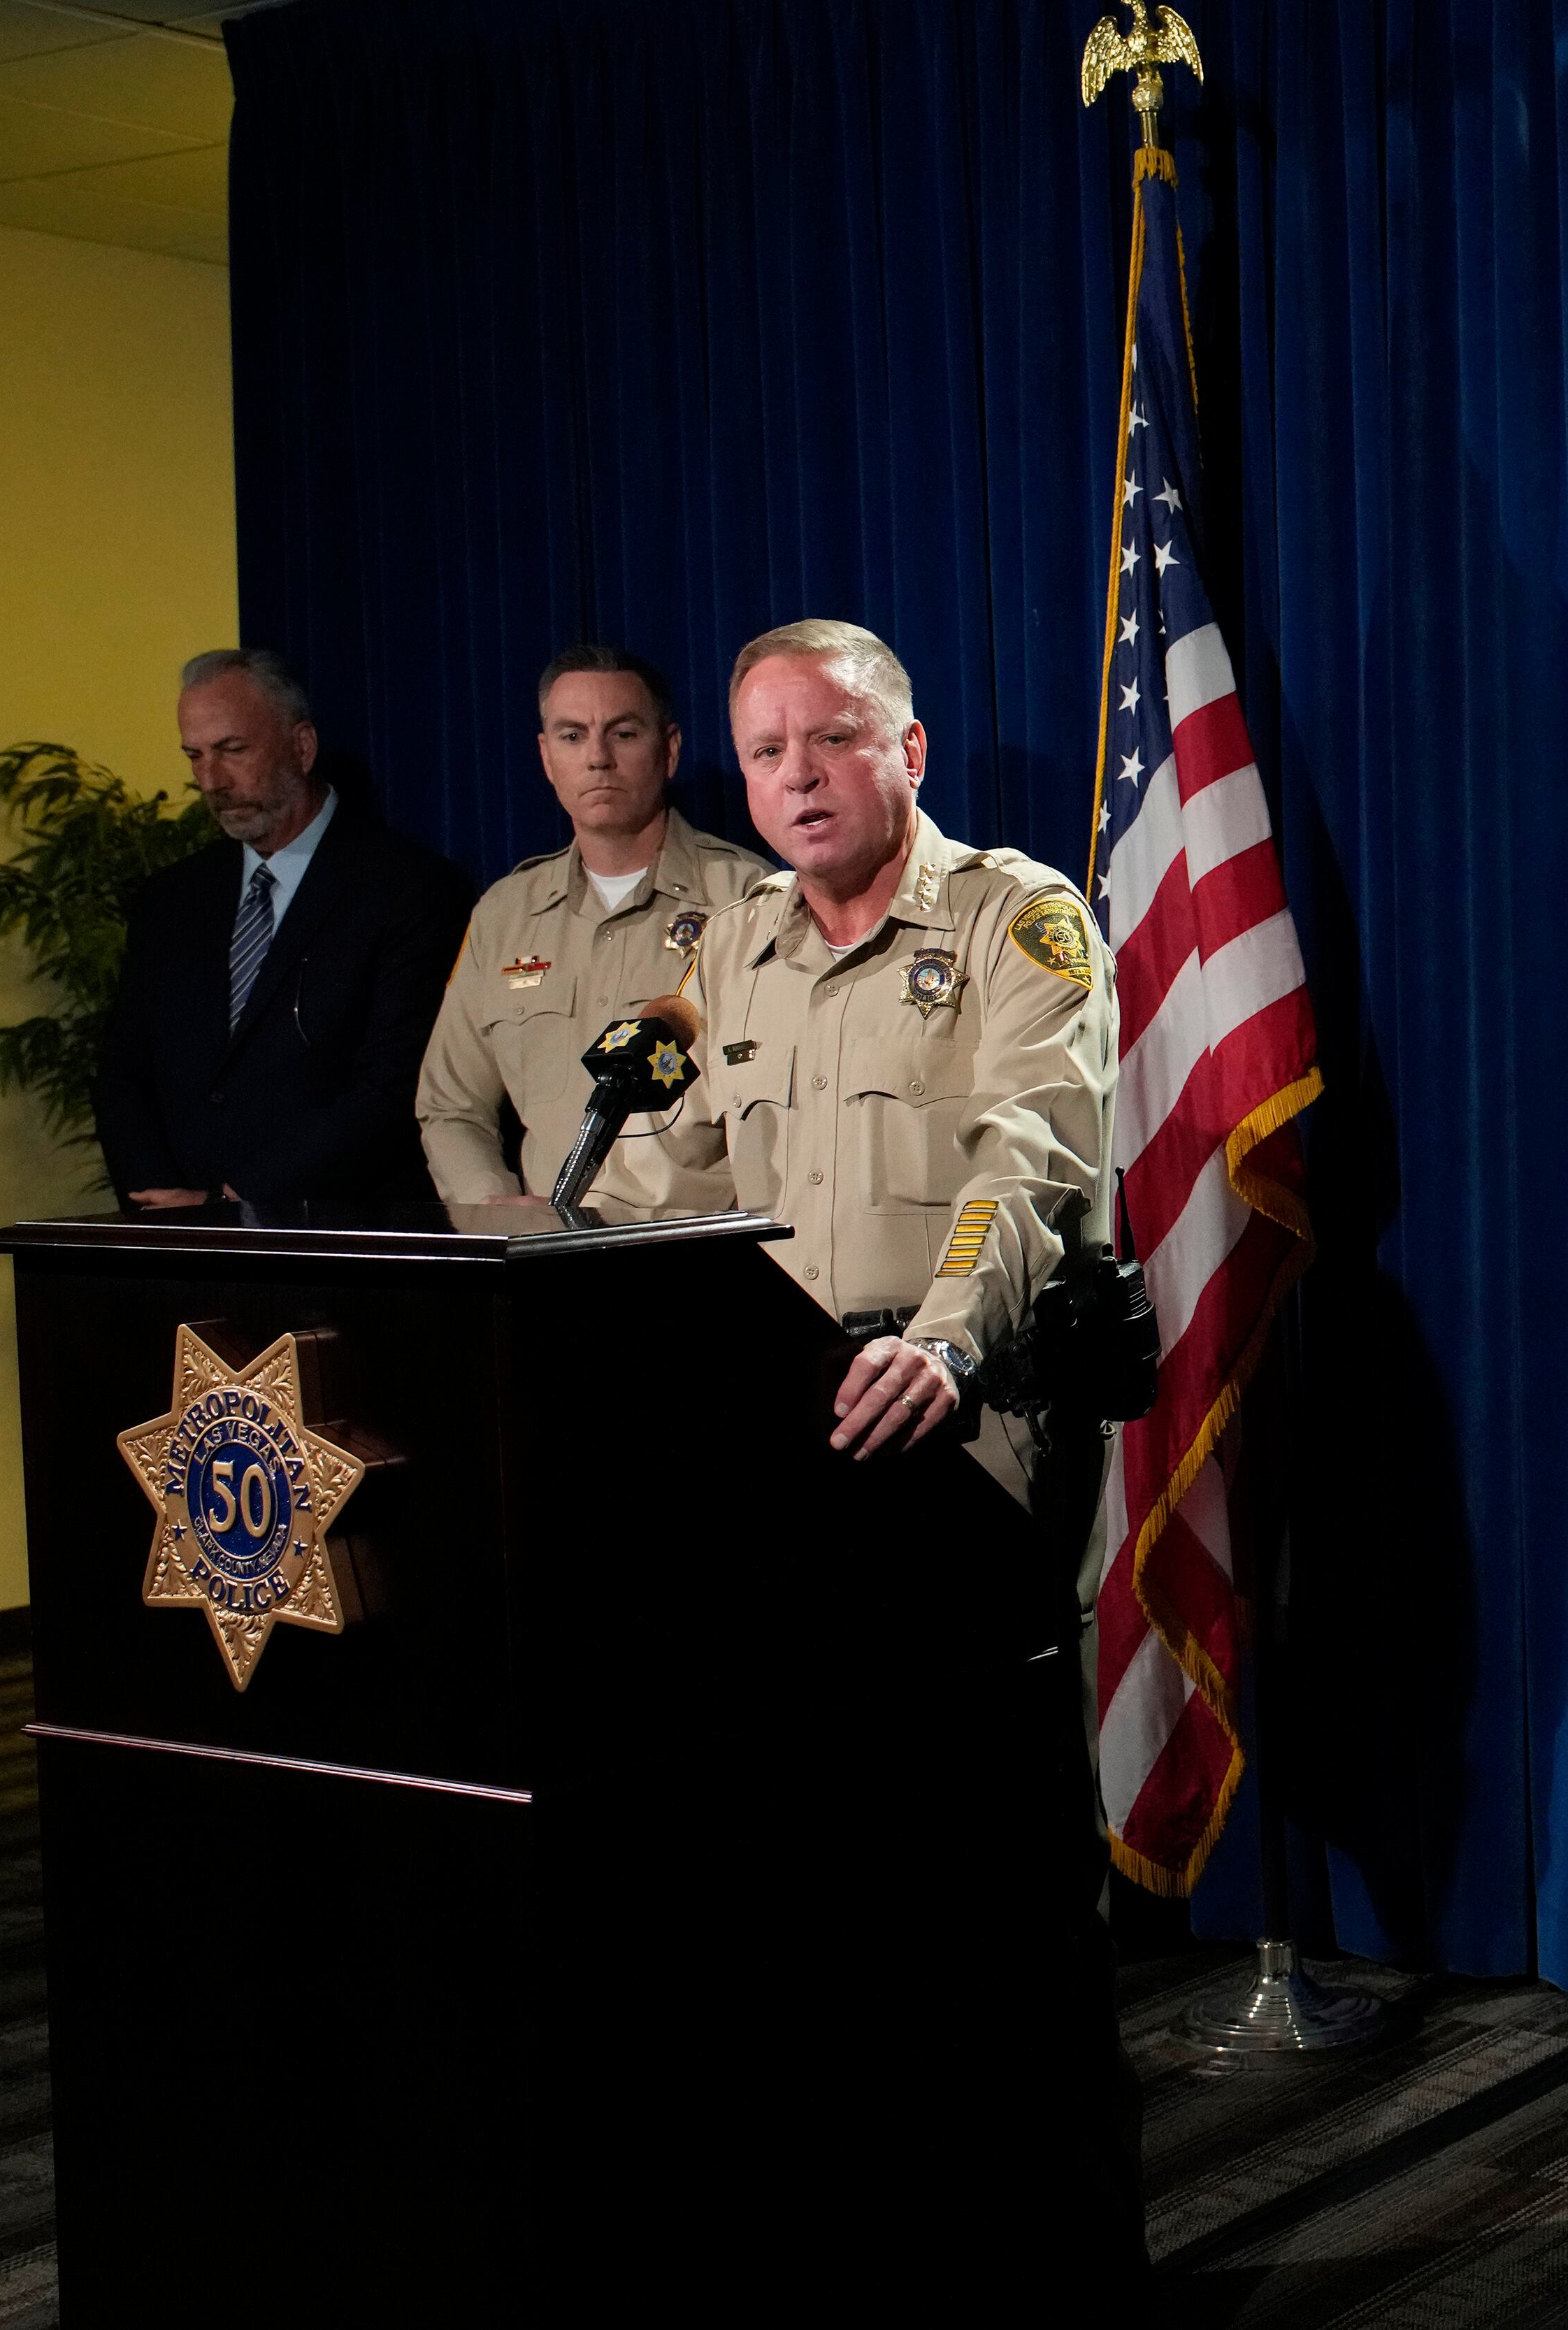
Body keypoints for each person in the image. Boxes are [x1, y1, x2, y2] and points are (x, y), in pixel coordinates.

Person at [652, 617, 1140, 2291]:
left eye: (833, 740)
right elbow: (666, 1181)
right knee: (819, 1890)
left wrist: (942, 1335)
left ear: (907, 753)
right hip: (780, 1471)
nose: (798, 777)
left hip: (966, 1452)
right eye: (766, 751)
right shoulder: (731, 944)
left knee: (996, 1899)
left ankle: (1058, 2267)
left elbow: (1033, 1153)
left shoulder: (1016, 917)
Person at [96, 649, 475, 1208]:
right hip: (182, 1238)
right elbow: (124, 1074)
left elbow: (396, 1084)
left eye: (233, 750)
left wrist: (238, 1201)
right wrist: (161, 1203)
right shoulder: (171, 900)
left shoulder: (411, 889)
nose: (212, 781)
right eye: (195, 756)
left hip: (338, 1235)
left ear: (302, 747)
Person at [414, 642, 768, 1204]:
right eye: (572, 735)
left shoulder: (748, 899)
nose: (598, 757)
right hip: (545, 1247)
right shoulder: (505, 915)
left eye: (623, 733)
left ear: (669, 749)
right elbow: (450, 1105)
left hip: (690, 1243)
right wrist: (496, 1205)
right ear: (546, 756)